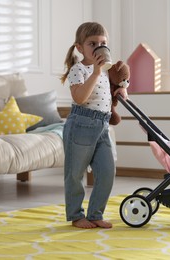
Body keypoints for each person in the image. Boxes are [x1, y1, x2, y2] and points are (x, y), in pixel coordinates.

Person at [60, 22, 128, 229]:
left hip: (103, 126)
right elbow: (80, 98)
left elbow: (118, 84)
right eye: (92, 43)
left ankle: (95, 213)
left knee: (107, 171)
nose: (99, 47)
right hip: (80, 124)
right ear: (80, 48)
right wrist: (96, 72)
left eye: (103, 43)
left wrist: (122, 89)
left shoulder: (108, 71)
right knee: (75, 173)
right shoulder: (78, 69)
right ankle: (75, 215)